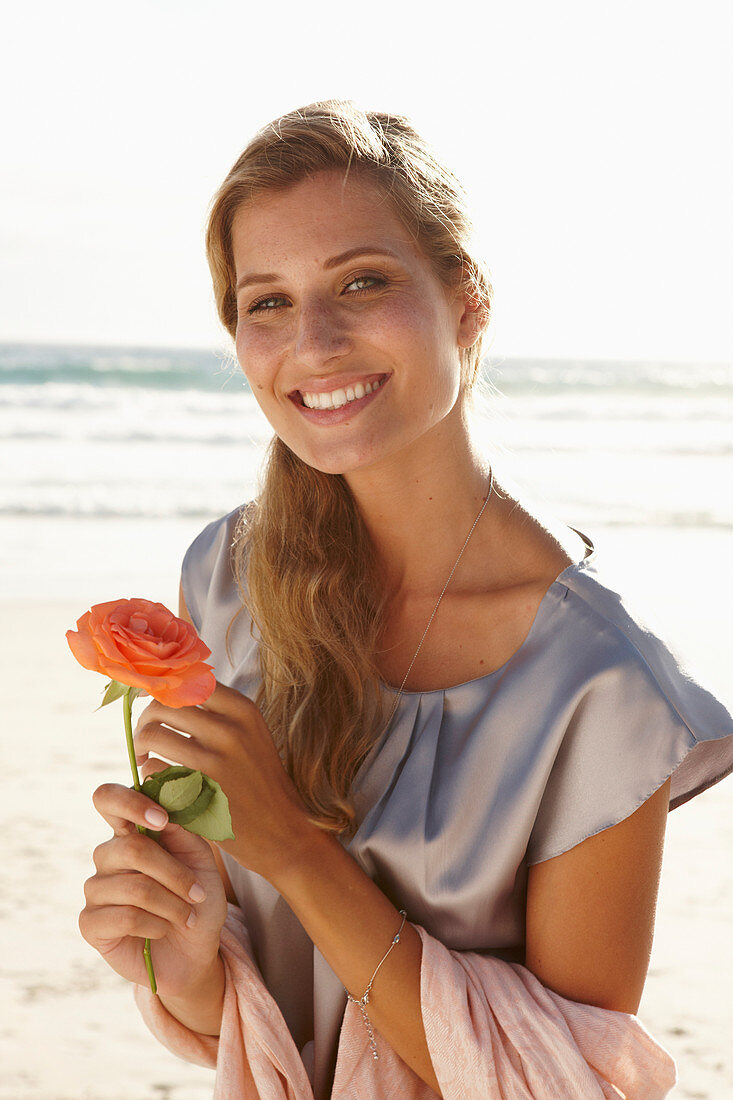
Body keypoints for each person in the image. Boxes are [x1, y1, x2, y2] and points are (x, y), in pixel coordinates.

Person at [79, 101, 733, 1099]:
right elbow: (266, 1023)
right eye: (267, 302)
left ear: (465, 297)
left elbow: (560, 1083)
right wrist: (186, 952)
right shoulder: (219, 582)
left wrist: (296, 850)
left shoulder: (601, 684)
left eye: (362, 281)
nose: (317, 339)